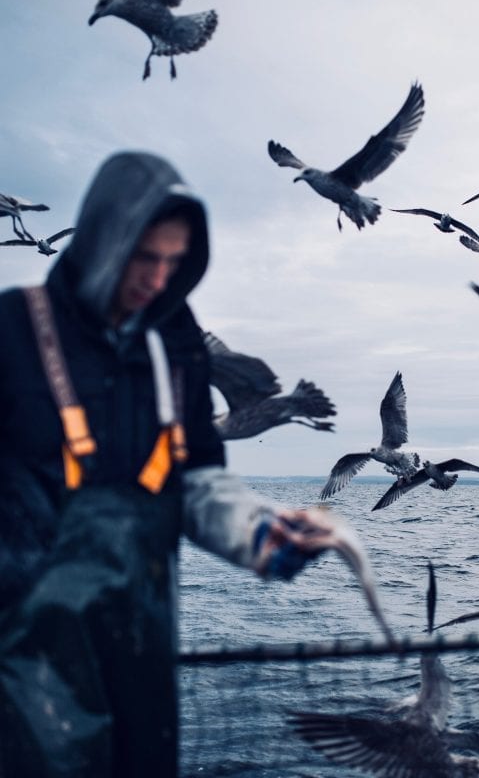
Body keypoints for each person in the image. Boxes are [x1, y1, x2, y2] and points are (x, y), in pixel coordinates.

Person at [0, 151, 337, 777]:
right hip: (22, 660)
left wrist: (258, 534)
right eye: (143, 257)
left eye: (174, 262)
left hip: (139, 649)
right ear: (104, 237)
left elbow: (200, 476)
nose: (157, 279)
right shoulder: (13, 327)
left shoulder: (175, 340)